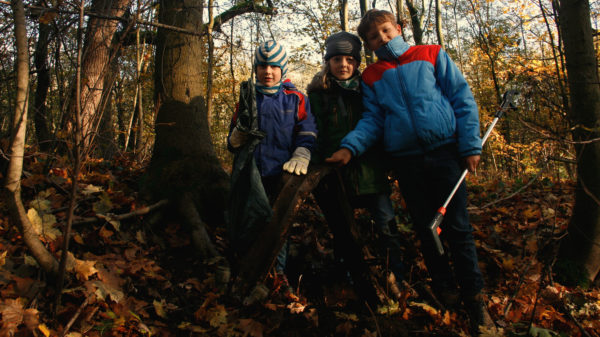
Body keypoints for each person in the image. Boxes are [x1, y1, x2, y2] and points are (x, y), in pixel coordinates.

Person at [326, 9, 488, 334]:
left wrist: (470, 146)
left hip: (445, 153)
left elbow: (462, 98)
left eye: (386, 31)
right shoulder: (372, 76)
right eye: (374, 36)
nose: (382, 38)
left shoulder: (430, 54)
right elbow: (373, 119)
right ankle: (445, 288)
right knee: (427, 227)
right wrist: (349, 147)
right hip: (406, 162)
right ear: (368, 44)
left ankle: (475, 296)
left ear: (398, 28)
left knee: (457, 226)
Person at [306, 32, 404, 297]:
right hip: (336, 175)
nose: (344, 65)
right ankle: (350, 276)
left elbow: (381, 124)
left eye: (350, 59)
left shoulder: (368, 89)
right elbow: (312, 132)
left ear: (357, 62)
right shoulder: (317, 95)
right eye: (337, 59)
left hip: (371, 171)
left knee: (386, 225)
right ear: (328, 62)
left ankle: (398, 277)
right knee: (343, 229)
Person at [227, 40, 317, 299]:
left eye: (274, 66)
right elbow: (234, 134)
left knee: (278, 226)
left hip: (283, 173)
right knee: (249, 221)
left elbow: (308, 130)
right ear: (255, 69)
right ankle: (246, 272)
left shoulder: (296, 98)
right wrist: (234, 139)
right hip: (251, 173)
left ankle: (277, 277)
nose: (268, 71)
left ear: (282, 69)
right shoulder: (247, 97)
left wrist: (303, 151)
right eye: (263, 66)